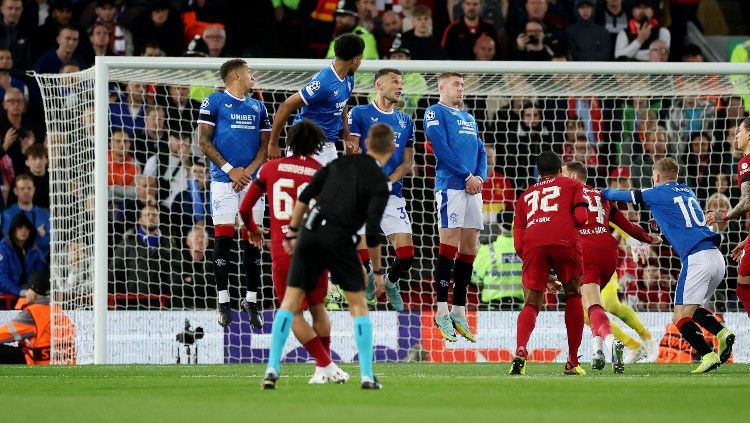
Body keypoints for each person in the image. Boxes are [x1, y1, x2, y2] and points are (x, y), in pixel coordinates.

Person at [262, 123, 393, 390]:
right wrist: (377, 272)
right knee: (357, 305)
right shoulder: (380, 181)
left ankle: (272, 368)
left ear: (367, 142)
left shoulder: (338, 164)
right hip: (340, 239)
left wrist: (293, 233)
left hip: (309, 235)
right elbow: (372, 229)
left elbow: (305, 196)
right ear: (391, 148)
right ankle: (367, 376)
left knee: (289, 303)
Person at [240, 119, 349, 384]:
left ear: (288, 142)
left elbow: (244, 208)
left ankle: (325, 364)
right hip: (316, 246)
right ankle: (323, 370)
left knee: (293, 312)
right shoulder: (321, 171)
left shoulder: (269, 168)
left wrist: (253, 230)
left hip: (284, 249)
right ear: (317, 145)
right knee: (318, 307)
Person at [603, 157, 735, 373]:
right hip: (716, 257)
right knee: (692, 311)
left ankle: (708, 355)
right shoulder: (687, 192)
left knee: (679, 316)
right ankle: (722, 333)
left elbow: (626, 196)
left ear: (656, 176)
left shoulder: (657, 192)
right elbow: (680, 219)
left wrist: (601, 193)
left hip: (696, 259)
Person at [561, 160, 661, 373]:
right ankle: (597, 350)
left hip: (585, 251)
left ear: (573, 177)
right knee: (589, 307)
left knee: (595, 306)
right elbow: (625, 224)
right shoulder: (600, 196)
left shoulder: (566, 195)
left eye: (563, 174)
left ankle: (612, 342)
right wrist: (646, 238)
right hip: (608, 253)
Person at [197, 58, 270, 328]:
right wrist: (230, 170)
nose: (253, 77)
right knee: (223, 240)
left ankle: (251, 300)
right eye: (250, 73)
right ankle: (223, 299)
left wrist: (246, 172)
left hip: (250, 181)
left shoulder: (258, 106)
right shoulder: (214, 102)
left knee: (253, 241)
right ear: (237, 75)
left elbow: (265, 147)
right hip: (222, 179)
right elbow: (203, 142)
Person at [511, 151, 588, 376]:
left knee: (531, 302)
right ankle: (572, 361)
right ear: (560, 168)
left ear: (539, 171)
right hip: (565, 240)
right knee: (573, 293)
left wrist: (538, 267)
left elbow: (518, 241)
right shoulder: (573, 185)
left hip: (533, 245)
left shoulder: (524, 196)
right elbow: (582, 218)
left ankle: (520, 351)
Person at [423, 72, 487, 343]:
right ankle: (440, 310)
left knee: (470, 246)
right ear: (442, 87)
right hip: (451, 185)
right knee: (449, 243)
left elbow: (481, 150)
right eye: (456, 84)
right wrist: (466, 176)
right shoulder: (434, 113)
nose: (461, 89)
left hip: (473, 186)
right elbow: (441, 149)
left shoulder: (469, 118)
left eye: (463, 84)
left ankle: (459, 309)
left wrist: (480, 177)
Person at [348, 68, 415, 311]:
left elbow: (408, 162)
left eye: (401, 82)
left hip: (392, 194)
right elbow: (352, 148)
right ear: (379, 85)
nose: (400, 86)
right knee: (363, 246)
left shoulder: (405, 121)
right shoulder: (360, 113)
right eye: (395, 81)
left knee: (407, 255)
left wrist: (386, 183)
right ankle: (366, 279)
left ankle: (391, 281)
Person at [268, 33, 364, 164]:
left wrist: (347, 136)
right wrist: (273, 143)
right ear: (355, 60)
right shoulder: (323, 83)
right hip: (305, 143)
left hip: (328, 145)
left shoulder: (348, 77)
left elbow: (343, 104)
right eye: (360, 59)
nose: (360, 63)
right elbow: (286, 105)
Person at [706, 116, 750, 317]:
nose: (737, 136)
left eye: (740, 131)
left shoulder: (745, 163)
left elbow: (747, 202)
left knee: (743, 288)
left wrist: (721, 216)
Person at [0, 269, 76, 364]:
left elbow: (3, 334)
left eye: (28, 289)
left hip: (38, 363)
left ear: (34, 293)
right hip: (63, 364)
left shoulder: (32, 313)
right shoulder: (58, 311)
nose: (26, 293)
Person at [0, 213, 46, 297]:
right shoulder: (3, 248)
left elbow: (41, 273)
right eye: (20, 227)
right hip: (6, 297)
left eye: (27, 228)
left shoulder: (34, 250)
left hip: (29, 294)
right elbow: (2, 279)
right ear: (13, 230)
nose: (24, 231)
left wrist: (34, 290)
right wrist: (21, 292)